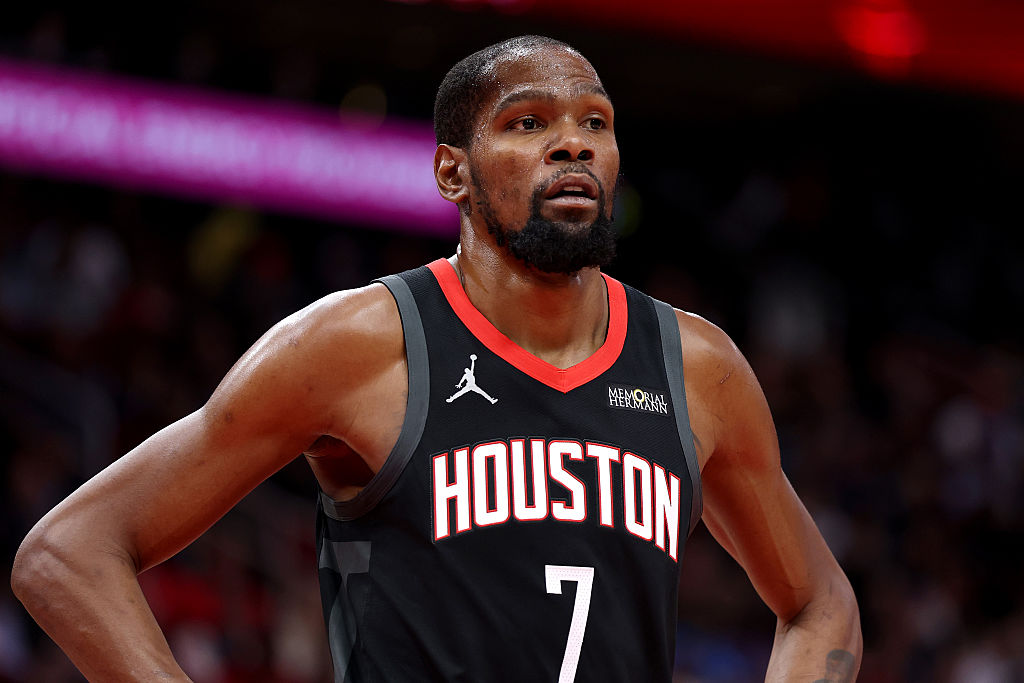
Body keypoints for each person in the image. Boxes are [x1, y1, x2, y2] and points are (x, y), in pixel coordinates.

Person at [11, 35, 862, 682]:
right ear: (453, 173)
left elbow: (821, 603)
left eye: (593, 123)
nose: (573, 145)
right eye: (529, 123)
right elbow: (68, 552)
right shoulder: (357, 345)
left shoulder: (695, 364)